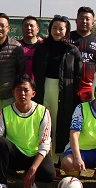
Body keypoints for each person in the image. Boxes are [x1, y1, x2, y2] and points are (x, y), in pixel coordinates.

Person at [0, 75, 55, 188]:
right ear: (13, 93)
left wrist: (33, 169)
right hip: (14, 156)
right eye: (18, 90)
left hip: (33, 155)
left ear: (33, 93)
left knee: (49, 175)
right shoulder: (5, 112)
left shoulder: (43, 112)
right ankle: (2, 183)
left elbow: (45, 144)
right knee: (0, 142)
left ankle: (29, 176)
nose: (22, 94)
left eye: (26, 90)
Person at [32, 15, 82, 164]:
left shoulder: (72, 50)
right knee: (43, 123)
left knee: (58, 125)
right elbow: (35, 69)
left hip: (63, 92)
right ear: (50, 29)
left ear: (67, 30)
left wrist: (70, 93)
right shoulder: (42, 47)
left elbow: (78, 75)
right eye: (54, 28)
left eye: (61, 28)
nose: (57, 31)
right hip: (44, 88)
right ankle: (40, 158)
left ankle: (56, 160)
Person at [68, 6, 96, 103]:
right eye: (81, 18)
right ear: (76, 21)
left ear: (93, 23)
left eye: (87, 19)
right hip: (68, 86)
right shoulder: (67, 38)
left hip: (89, 89)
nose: (84, 21)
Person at [19, 16, 42, 80]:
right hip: (20, 84)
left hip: (39, 83)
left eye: (31, 26)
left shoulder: (44, 46)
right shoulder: (15, 46)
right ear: (21, 29)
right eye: (25, 26)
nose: (28, 28)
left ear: (37, 29)